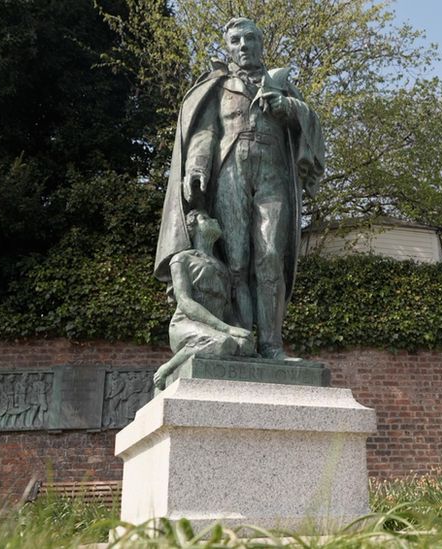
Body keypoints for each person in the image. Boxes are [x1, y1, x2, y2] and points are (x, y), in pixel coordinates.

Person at [153, 17, 325, 361]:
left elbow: (311, 122)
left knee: (271, 257)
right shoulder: (218, 85)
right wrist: (197, 168)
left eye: (249, 39)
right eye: (235, 41)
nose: (243, 45)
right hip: (230, 170)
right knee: (235, 263)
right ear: (229, 47)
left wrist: (288, 107)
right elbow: (204, 132)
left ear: (260, 44)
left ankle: (272, 345)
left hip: (272, 173)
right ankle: (244, 342)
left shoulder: (281, 84)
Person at [153, 211, 256, 390]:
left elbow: (227, 309)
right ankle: (168, 368)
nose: (214, 220)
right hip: (186, 324)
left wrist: (239, 330)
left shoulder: (222, 267)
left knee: (245, 346)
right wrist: (226, 328)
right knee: (223, 343)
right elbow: (185, 302)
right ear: (193, 228)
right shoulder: (181, 259)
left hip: (217, 328)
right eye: (206, 219)